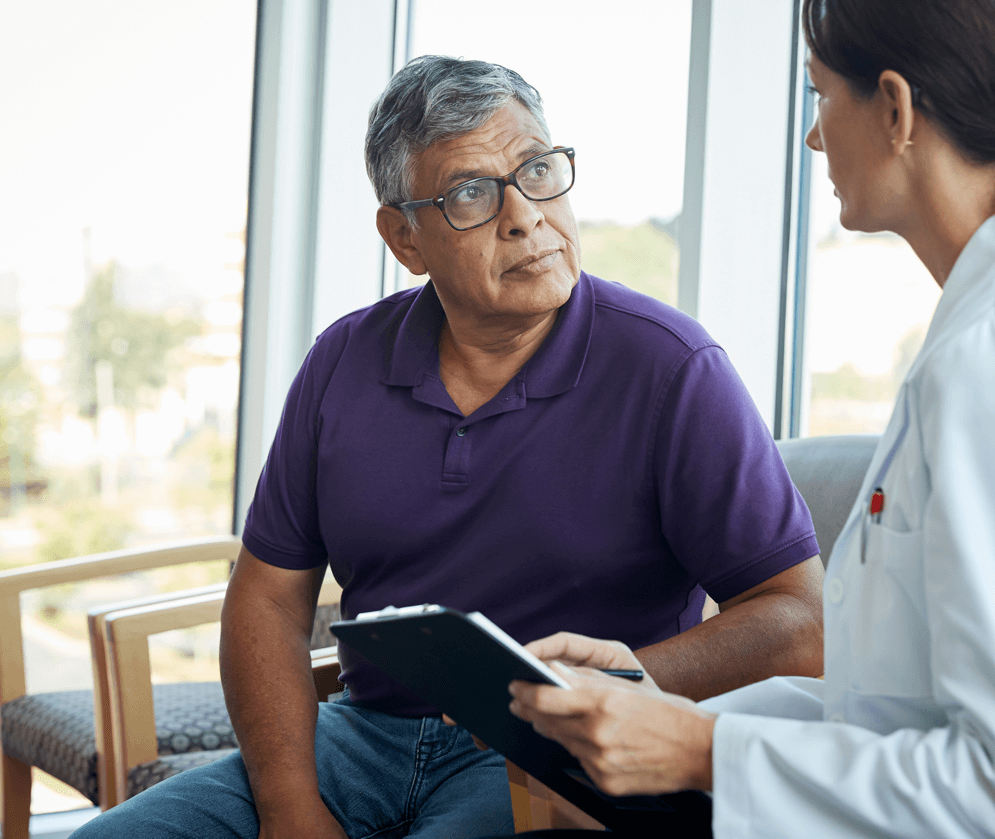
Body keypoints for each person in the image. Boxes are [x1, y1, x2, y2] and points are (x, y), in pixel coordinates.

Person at [507, 0, 995, 837]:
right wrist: (649, 705)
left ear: (897, 107)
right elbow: (886, 711)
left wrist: (700, 751)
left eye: (821, 96)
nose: (813, 134)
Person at [72, 56, 826, 839]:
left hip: (552, 755)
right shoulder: (343, 361)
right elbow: (265, 597)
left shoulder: (672, 367)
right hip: (357, 739)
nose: (526, 215)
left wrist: (620, 681)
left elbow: (801, 622)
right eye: (472, 193)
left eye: (538, 169)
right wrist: (292, 805)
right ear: (405, 238)